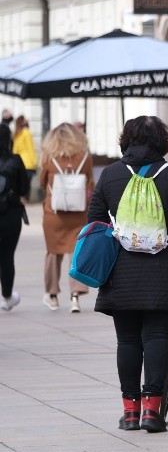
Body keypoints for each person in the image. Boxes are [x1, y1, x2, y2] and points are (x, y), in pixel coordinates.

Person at [88, 115, 168, 433]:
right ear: (162, 141)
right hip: (164, 272)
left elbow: (95, 222)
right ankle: (153, 411)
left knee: (127, 341)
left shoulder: (110, 175)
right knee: (157, 338)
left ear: (126, 139)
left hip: (120, 273)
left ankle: (130, 412)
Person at [40, 123, 94, 313]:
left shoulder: (49, 157)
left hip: (54, 214)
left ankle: (53, 296)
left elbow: (41, 182)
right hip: (78, 213)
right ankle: (75, 297)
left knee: (53, 253)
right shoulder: (85, 157)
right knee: (76, 253)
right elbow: (90, 183)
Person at [0, 124, 31, 312]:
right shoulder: (15, 160)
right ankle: (7, 296)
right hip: (11, 213)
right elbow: (24, 188)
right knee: (7, 257)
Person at [13, 115, 37, 184]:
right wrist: (34, 162)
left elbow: (15, 150)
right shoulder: (26, 132)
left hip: (19, 163)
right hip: (28, 164)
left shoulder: (17, 133)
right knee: (27, 188)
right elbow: (30, 148)